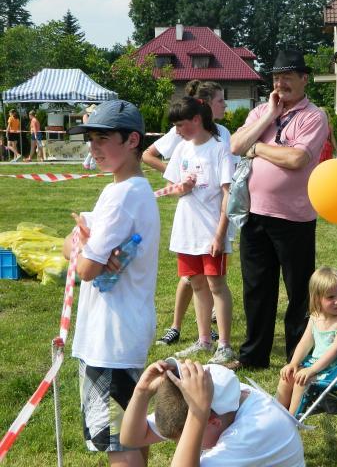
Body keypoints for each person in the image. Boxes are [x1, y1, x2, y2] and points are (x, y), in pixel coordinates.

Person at [61, 100, 160, 466]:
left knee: (118, 442)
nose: (94, 148)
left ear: (132, 140)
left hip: (110, 338)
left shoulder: (121, 196)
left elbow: (85, 268)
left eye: (103, 138)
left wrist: (85, 252)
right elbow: (72, 242)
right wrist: (83, 247)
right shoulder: (128, 190)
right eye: (90, 139)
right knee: (131, 432)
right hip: (124, 331)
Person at [229, 49, 329, 370]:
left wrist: (257, 147)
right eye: (275, 77)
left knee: (298, 292)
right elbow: (235, 145)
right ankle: (253, 356)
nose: (280, 83)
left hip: (294, 218)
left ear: (304, 78)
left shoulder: (313, 116)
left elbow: (297, 159)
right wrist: (269, 116)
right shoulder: (261, 111)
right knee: (256, 288)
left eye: (287, 77)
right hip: (255, 214)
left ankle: (296, 358)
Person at [152, 81, 236, 348]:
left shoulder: (220, 147)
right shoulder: (182, 148)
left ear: (197, 120)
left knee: (216, 285)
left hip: (211, 231)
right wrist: (182, 187)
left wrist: (220, 234)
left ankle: (224, 344)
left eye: (180, 125)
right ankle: (204, 340)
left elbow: (228, 194)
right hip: (186, 231)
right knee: (197, 283)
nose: (177, 131)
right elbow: (174, 187)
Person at [120, 358, 305, 466]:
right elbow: (131, 439)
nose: (181, 446)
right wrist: (142, 392)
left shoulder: (253, 431)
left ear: (213, 422)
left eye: (181, 439)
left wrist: (197, 414)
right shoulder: (228, 402)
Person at [276, 266, 337, 414]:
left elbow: (335, 350)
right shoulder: (315, 316)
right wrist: (294, 363)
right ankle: (276, 414)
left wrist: (312, 370)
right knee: (287, 377)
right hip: (317, 364)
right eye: (330, 297)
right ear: (317, 298)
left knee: (301, 381)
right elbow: (305, 343)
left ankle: (291, 420)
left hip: (336, 368)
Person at [82, 104, 97, 170]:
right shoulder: (85, 116)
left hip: (94, 135)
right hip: (88, 135)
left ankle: (91, 165)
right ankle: (87, 163)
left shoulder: (95, 116)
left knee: (94, 150)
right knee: (93, 150)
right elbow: (87, 125)